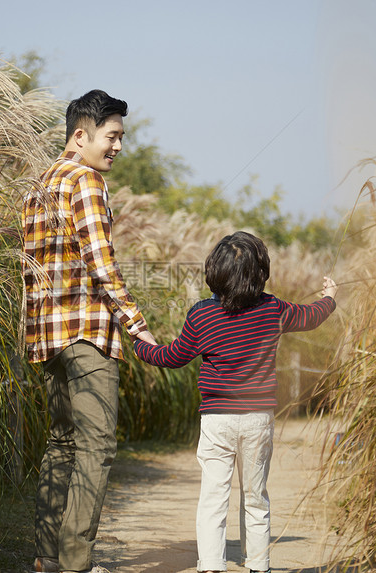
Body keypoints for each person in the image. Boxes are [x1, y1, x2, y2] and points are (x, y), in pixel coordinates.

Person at [133, 231, 338, 573]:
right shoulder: (273, 309)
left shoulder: (201, 316)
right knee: (256, 497)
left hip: (217, 420)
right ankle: (258, 565)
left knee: (214, 497)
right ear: (260, 273)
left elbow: (170, 357)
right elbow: (312, 316)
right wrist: (329, 297)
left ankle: (212, 565)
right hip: (258, 418)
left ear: (214, 272)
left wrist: (142, 342)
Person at [22, 89, 156, 573]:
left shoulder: (39, 183)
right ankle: (76, 563)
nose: (118, 146)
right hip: (86, 335)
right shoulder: (87, 181)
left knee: (62, 443)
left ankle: (46, 558)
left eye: (121, 137)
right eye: (112, 136)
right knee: (97, 446)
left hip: (47, 338)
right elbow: (101, 263)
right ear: (81, 136)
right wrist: (137, 327)